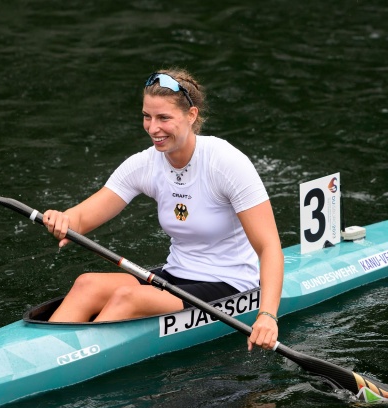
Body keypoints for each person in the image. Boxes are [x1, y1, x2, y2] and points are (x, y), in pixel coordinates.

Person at [43, 68, 284, 351]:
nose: (152, 128)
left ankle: (71, 363)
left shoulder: (225, 163)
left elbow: (269, 248)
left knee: (127, 297)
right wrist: (62, 219)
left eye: (163, 118)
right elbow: (81, 218)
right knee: (87, 284)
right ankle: (44, 353)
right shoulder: (146, 164)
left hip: (230, 283)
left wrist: (267, 315)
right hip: (177, 274)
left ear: (191, 116)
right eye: (147, 116)